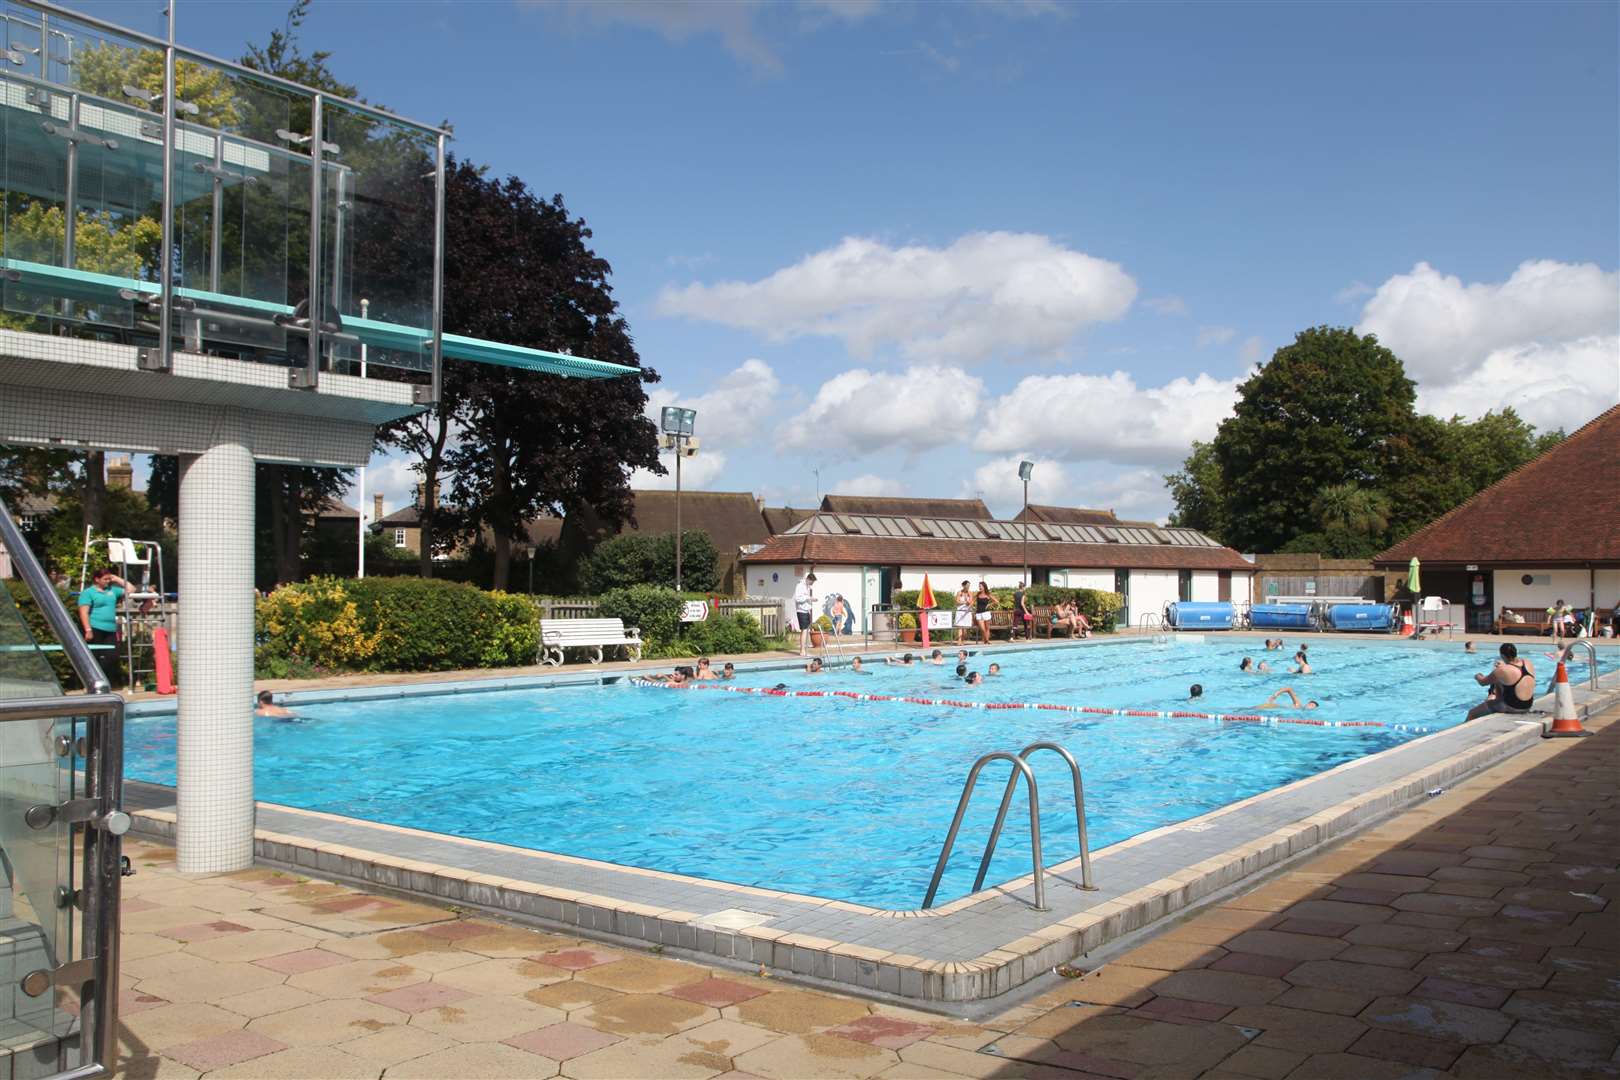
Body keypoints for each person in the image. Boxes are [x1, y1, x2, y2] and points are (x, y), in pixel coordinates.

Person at [78, 567, 133, 689]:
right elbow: (83, 612)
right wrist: (88, 629)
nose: (108, 581)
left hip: (110, 629)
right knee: (94, 656)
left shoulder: (112, 590)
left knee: (112, 655)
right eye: (105, 579)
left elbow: (131, 589)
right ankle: (91, 683)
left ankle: (105, 680)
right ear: (97, 579)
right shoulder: (88, 593)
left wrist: (116, 578)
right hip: (95, 627)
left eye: (109, 579)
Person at [1466, 643, 1536, 721]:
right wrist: (1504, 666)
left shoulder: (1502, 670)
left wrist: (1478, 676)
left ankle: (1463, 731)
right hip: (1527, 706)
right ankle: (1496, 701)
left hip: (1512, 708)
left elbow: (1483, 682)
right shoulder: (1528, 663)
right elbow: (1513, 668)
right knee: (1500, 680)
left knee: (1472, 713)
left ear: (1502, 656)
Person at [794, 573, 817, 657]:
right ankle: (802, 651)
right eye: (812, 582)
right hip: (801, 610)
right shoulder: (800, 586)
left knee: (806, 631)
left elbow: (805, 597)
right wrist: (808, 598)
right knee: (804, 630)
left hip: (806, 610)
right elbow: (797, 599)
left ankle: (805, 650)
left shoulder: (807, 586)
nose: (812, 584)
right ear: (808, 579)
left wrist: (811, 599)